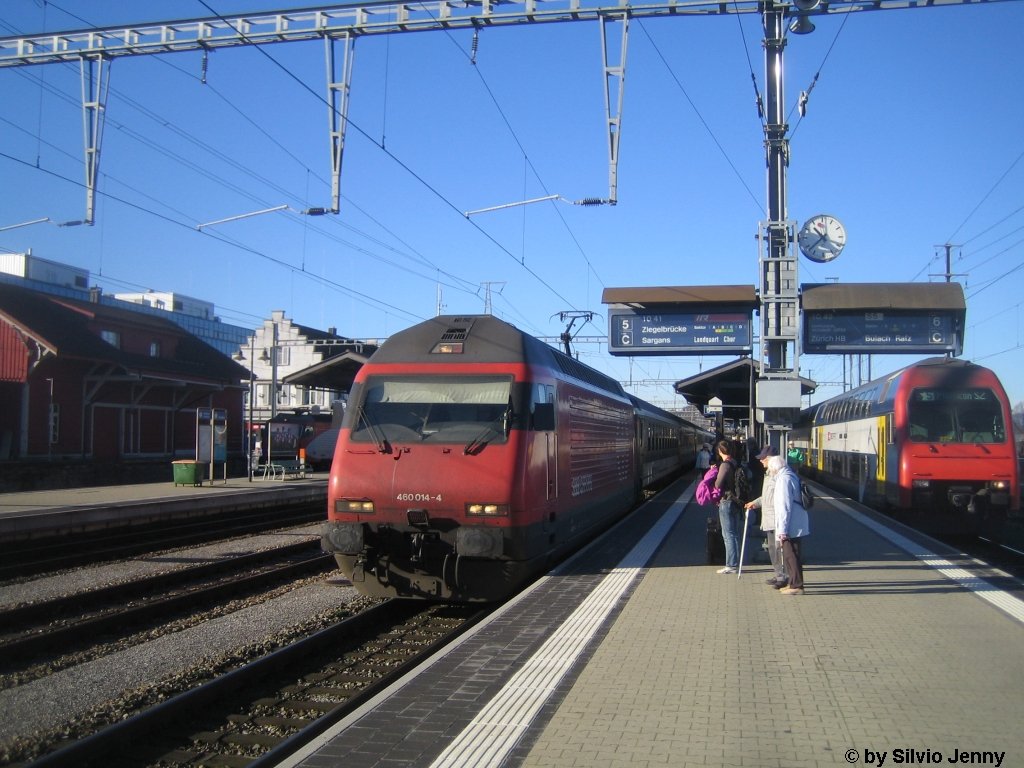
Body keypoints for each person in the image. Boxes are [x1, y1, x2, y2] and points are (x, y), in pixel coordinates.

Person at [744, 446, 786, 588]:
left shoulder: (778, 477)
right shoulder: (768, 475)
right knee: (773, 549)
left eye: (763, 458)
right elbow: (767, 497)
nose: (761, 461)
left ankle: (782, 577)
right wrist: (755, 503)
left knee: (778, 549)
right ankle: (778, 574)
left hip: (776, 519)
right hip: (769, 517)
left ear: (770, 459)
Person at [768, 454, 810, 595]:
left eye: (770, 469)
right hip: (795, 523)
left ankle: (796, 585)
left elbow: (784, 506)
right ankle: (793, 583)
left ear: (774, 468)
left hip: (791, 525)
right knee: (791, 555)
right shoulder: (790, 475)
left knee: (791, 555)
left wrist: (783, 530)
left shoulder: (783, 479)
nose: (770, 472)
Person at [713, 439, 743, 574]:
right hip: (736, 501)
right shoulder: (735, 462)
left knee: (727, 534)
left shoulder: (725, 465)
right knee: (734, 534)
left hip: (727, 501)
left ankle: (730, 565)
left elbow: (718, 484)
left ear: (720, 451)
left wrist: (713, 473)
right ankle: (735, 563)